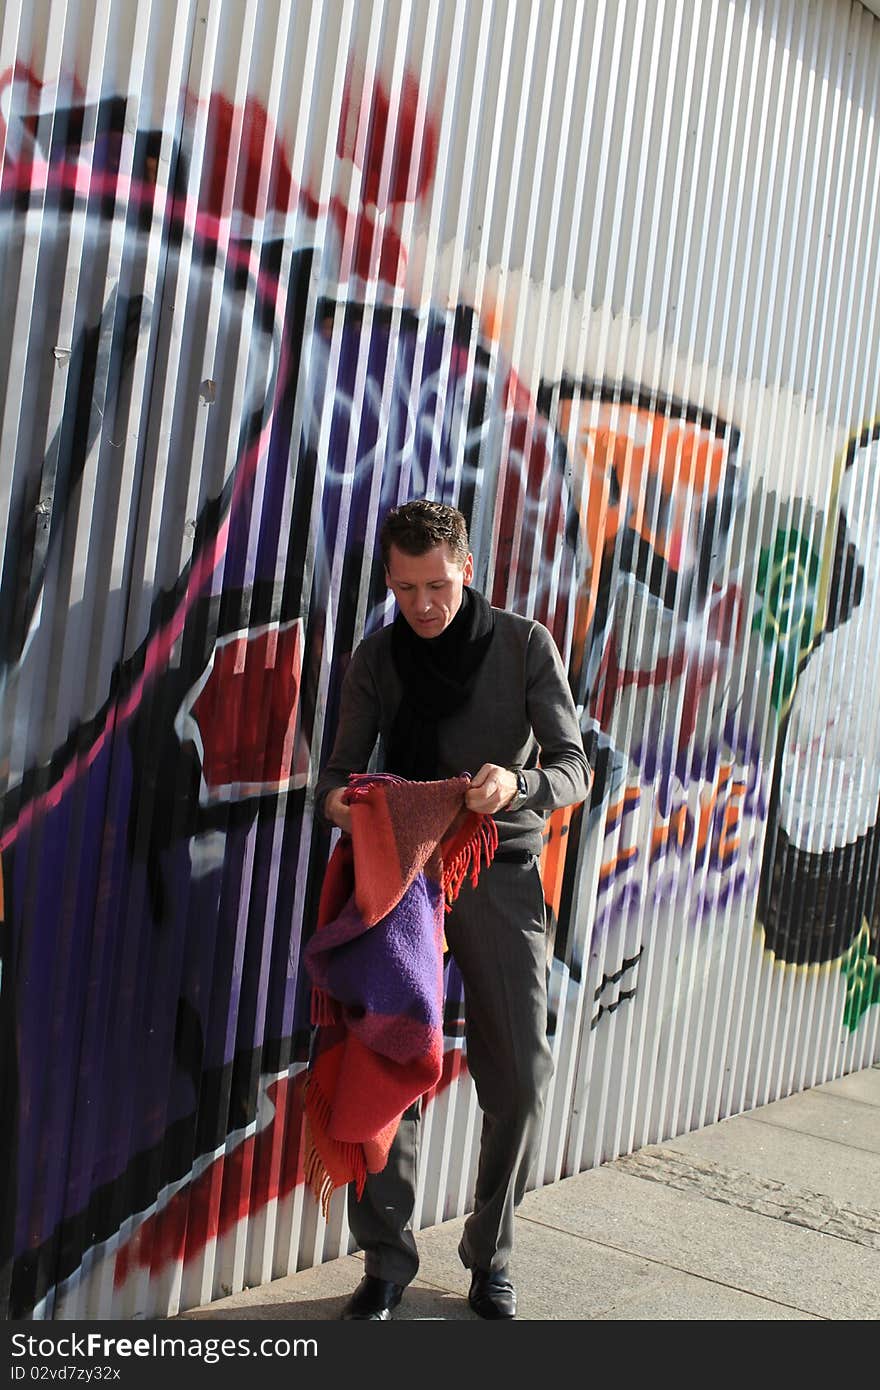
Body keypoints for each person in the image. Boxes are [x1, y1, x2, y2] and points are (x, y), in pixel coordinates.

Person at [314, 498, 591, 1320]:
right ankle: (387, 1262)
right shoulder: (376, 658)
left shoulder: (523, 644)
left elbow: (576, 765)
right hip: (401, 884)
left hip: (499, 871)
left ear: (467, 570)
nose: (424, 606)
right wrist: (346, 805)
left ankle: (489, 1253)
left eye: (437, 585)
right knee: (389, 1063)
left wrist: (520, 784)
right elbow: (333, 776)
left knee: (521, 1077)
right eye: (405, 590)